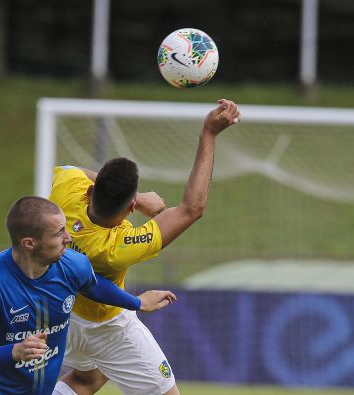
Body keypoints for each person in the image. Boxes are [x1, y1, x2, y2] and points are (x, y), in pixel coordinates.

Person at [49, 99, 242, 395]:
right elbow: (192, 209)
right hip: (107, 326)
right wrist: (209, 134)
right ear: (129, 209)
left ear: (89, 192)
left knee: (88, 379)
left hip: (62, 314)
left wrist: (136, 198)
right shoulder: (116, 248)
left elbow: (71, 170)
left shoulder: (64, 194)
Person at [0, 196, 176, 395]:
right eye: (58, 233)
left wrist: (137, 302)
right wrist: (14, 351)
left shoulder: (73, 265)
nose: (68, 238)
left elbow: (94, 287)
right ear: (29, 244)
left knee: (94, 376)